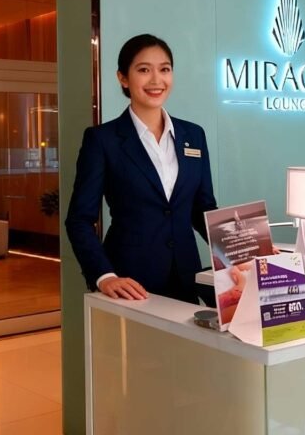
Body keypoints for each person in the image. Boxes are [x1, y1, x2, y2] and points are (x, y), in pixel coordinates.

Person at [65, 34, 217, 303]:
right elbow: (79, 219)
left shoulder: (193, 135)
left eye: (165, 69)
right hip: (130, 282)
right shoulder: (103, 140)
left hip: (185, 276)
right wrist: (104, 275)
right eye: (144, 70)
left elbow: (202, 209)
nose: (156, 80)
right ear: (123, 78)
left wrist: (242, 251)